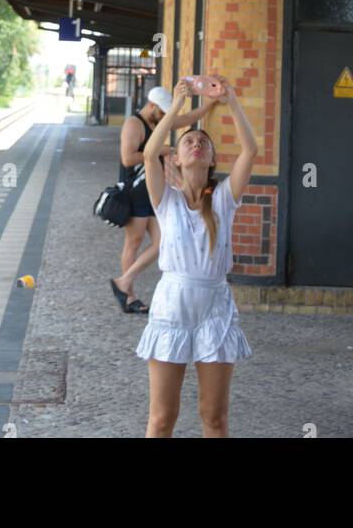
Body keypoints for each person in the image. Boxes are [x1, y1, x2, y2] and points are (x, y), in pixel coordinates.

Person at [135, 76, 258, 438]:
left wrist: (231, 100)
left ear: (212, 158)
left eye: (203, 142)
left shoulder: (222, 199)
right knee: (162, 418)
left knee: (214, 416)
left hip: (215, 308)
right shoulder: (166, 200)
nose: (196, 145)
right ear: (177, 156)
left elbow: (250, 151)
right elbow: (147, 153)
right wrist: (176, 108)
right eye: (189, 141)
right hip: (172, 305)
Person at [111, 85, 218, 314]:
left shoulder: (157, 122)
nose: (165, 116)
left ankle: (124, 281)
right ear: (152, 106)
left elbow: (187, 118)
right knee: (134, 242)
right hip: (133, 190)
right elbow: (127, 158)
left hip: (150, 193)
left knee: (163, 241)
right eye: (163, 111)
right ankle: (129, 295)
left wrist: (211, 103)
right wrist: (164, 150)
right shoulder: (134, 124)